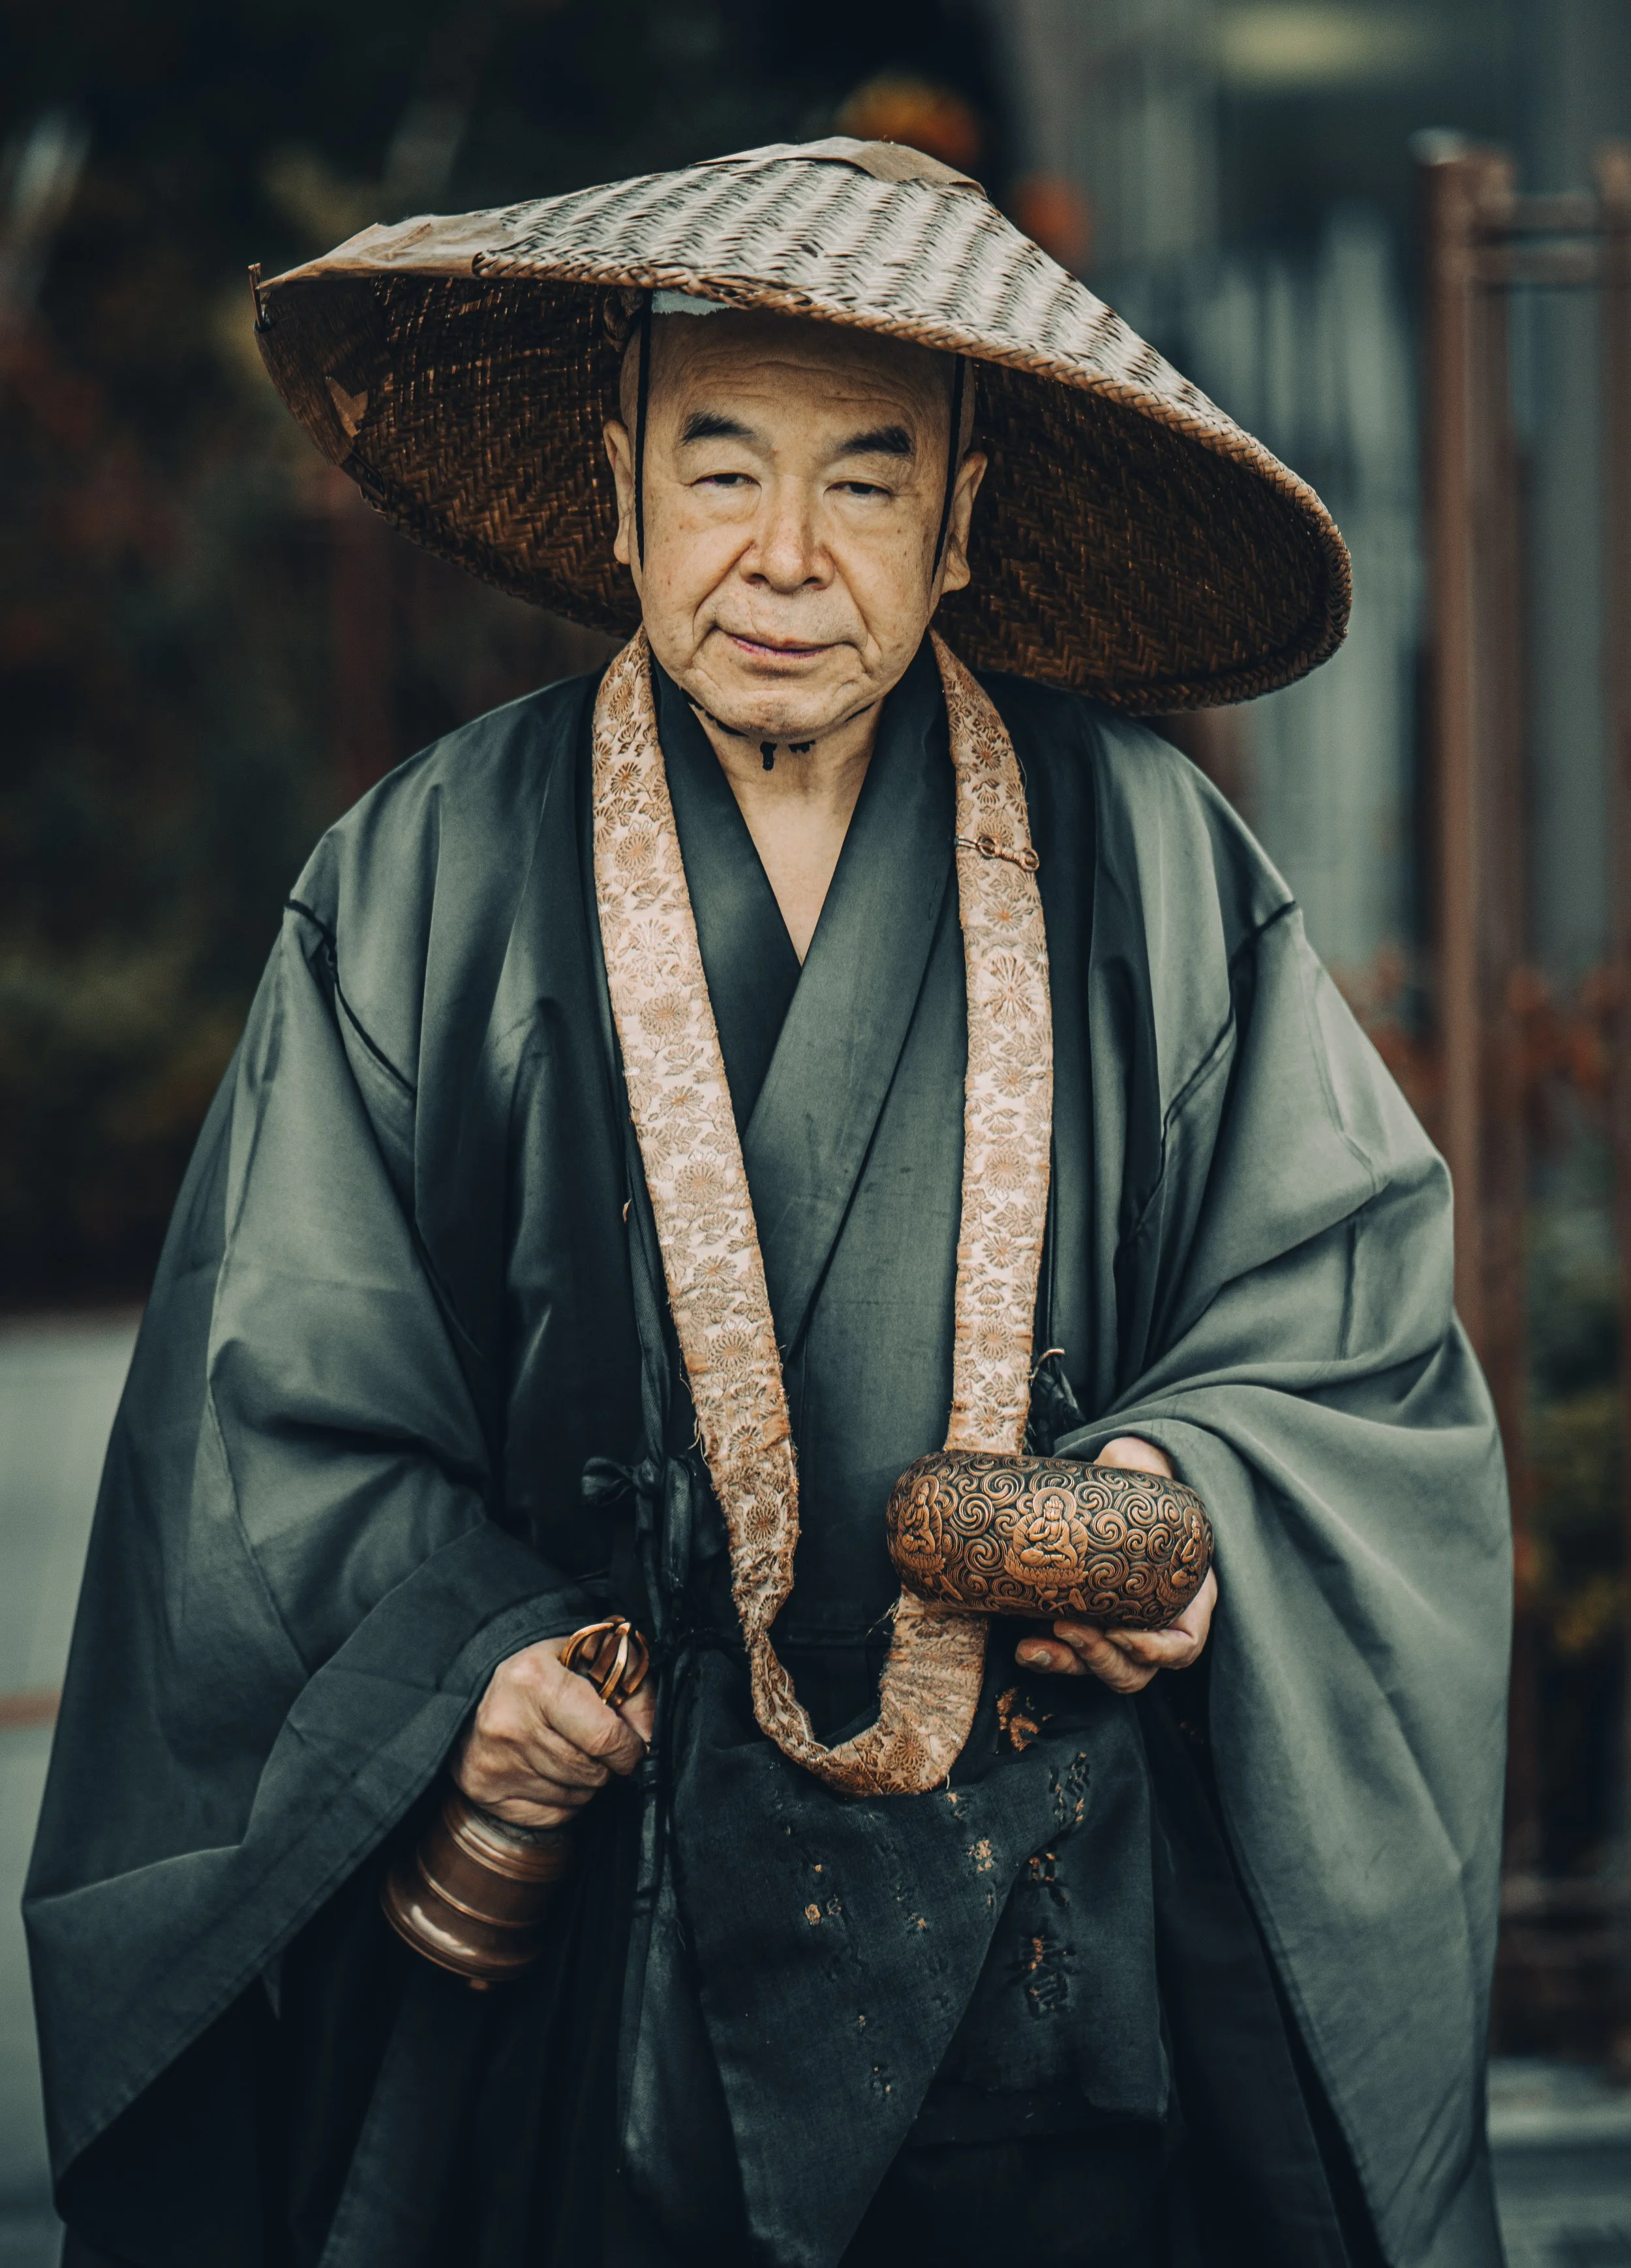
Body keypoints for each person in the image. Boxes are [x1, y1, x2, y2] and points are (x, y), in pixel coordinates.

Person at [28, 138, 1511, 2268]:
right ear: (615, 480)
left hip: (1048, 1963)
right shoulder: (421, 879)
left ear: (964, 517)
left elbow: (1348, 1340)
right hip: (604, 1982)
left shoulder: (1152, 865)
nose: (787, 556)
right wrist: (470, 1674)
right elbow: (276, 1430)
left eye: (869, 480)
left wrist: (1200, 1513)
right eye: (721, 470)